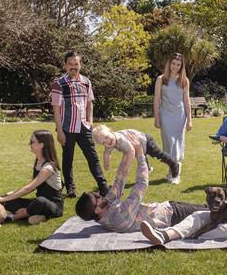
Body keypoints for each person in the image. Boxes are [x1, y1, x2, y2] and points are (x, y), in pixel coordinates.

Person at [74, 125, 204, 232]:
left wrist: (126, 160)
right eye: (97, 197)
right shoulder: (119, 216)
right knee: (212, 212)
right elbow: (141, 185)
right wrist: (140, 154)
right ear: (97, 210)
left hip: (168, 207)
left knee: (209, 207)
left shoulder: (105, 209)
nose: (99, 194)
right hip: (173, 215)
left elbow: (118, 183)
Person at [51, 51, 109, 198]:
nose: (73, 67)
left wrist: (90, 122)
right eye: (70, 64)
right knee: (68, 158)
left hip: (84, 128)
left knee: (93, 158)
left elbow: (90, 103)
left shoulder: (86, 82)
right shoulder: (59, 84)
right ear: (65, 65)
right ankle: (71, 189)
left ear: (80, 65)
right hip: (67, 129)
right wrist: (59, 131)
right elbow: (56, 109)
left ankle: (103, 187)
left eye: (76, 64)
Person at [0, 130, 64, 225]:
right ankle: (34, 214)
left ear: (41, 145)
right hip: (38, 203)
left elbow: (29, 188)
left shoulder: (48, 168)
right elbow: (30, 185)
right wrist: (8, 196)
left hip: (53, 206)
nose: (30, 144)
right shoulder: (38, 162)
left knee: (39, 201)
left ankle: (14, 217)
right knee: (8, 198)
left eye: (32, 142)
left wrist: (3, 200)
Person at [92, 125, 181, 184]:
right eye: (103, 142)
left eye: (107, 137)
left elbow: (131, 152)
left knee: (159, 156)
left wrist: (126, 169)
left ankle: (175, 165)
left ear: (111, 131)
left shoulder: (121, 140)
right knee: (141, 155)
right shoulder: (109, 144)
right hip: (140, 146)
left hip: (146, 142)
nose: (107, 142)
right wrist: (106, 163)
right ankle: (148, 168)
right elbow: (106, 153)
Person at [153, 52, 192, 184]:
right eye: (173, 64)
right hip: (165, 115)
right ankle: (173, 166)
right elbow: (157, 99)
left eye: (178, 65)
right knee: (168, 142)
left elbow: (186, 101)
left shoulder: (184, 81)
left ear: (182, 66)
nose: (175, 67)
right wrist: (156, 117)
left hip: (180, 116)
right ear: (169, 64)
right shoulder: (161, 79)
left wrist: (190, 119)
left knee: (177, 143)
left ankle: (174, 173)